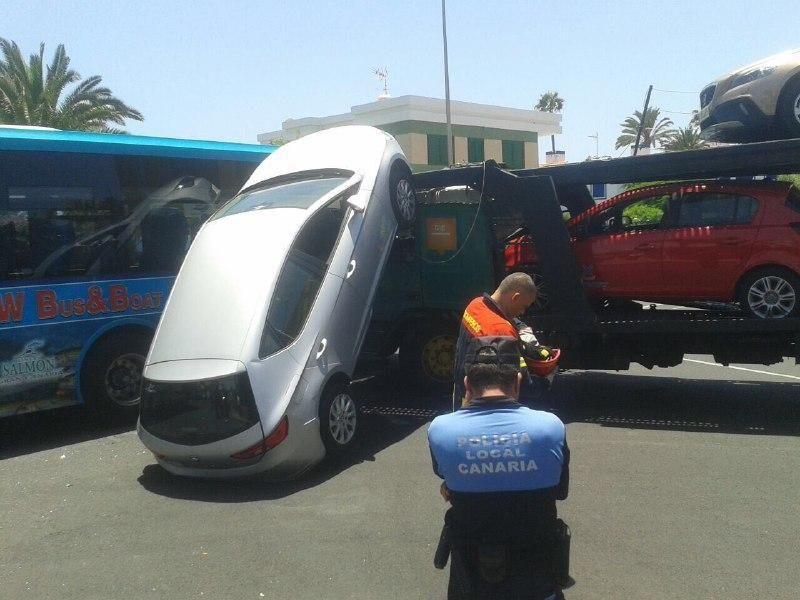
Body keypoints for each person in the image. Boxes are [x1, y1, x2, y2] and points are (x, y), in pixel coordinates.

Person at [429, 336, 570, 600]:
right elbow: (560, 491)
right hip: (537, 582)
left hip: (470, 584)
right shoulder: (550, 427)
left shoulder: (441, 429)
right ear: (517, 381)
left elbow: (446, 478)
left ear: (467, 384)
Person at [452, 272, 556, 409]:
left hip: (462, 389)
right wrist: (546, 380)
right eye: (524, 306)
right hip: (483, 404)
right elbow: (522, 383)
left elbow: (503, 318)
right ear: (515, 297)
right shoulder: (501, 331)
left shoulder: (475, 305)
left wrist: (525, 343)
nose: (523, 312)